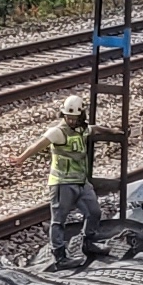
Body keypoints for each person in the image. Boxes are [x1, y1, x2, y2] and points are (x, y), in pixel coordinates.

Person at [43, 98, 101, 269]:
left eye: (74, 118)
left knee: (94, 212)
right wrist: (20, 158)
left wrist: (115, 131)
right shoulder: (57, 132)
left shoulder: (82, 129)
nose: (71, 120)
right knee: (58, 220)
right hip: (62, 183)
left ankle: (88, 243)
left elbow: (95, 129)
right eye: (68, 117)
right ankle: (60, 257)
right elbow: (39, 144)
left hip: (80, 182)